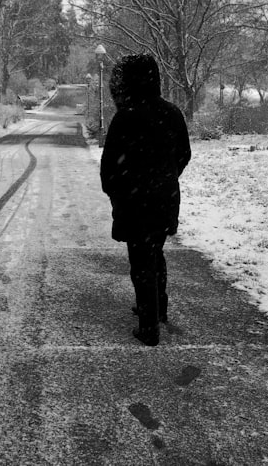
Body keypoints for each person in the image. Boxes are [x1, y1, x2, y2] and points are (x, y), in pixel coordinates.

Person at [99, 54, 191, 347]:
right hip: (164, 198)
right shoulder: (172, 113)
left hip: (135, 201)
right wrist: (166, 177)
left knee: (141, 261)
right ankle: (158, 308)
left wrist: (118, 190)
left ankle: (148, 325)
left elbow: (110, 165)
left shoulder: (125, 116)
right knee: (155, 253)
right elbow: (184, 154)